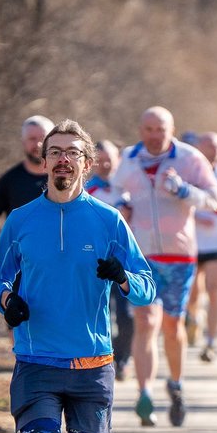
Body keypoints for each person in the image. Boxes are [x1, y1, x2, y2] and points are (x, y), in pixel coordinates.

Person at [0, 119, 155, 433]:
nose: (63, 159)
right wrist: (6, 300)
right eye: (54, 151)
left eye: (72, 153)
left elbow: (146, 288)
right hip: (37, 363)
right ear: (44, 160)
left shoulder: (107, 220)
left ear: (88, 162)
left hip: (92, 366)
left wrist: (122, 277)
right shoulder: (20, 220)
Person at [111, 106, 217, 427]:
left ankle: (175, 384)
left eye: (161, 129)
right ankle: (144, 393)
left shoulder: (188, 159)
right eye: (149, 129)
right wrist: (122, 206)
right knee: (146, 321)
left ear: (171, 129)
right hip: (142, 255)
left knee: (172, 327)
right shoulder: (129, 159)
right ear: (140, 129)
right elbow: (117, 191)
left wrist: (184, 191)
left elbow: (215, 198)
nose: (155, 135)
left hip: (179, 255)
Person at [85, 140, 134, 381]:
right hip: (96, 265)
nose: (104, 164)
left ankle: (123, 358)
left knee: (127, 316)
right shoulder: (86, 191)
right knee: (101, 313)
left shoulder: (127, 189)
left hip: (125, 265)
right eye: (99, 159)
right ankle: (101, 359)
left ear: (118, 160)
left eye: (109, 159)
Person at [186, 132, 217, 362]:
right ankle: (193, 319)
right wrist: (196, 217)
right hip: (192, 238)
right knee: (194, 292)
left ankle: (211, 342)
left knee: (214, 291)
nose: (213, 150)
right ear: (198, 147)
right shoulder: (189, 170)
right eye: (208, 146)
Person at [0, 115, 55, 241]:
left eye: (43, 138)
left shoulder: (64, 177)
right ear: (23, 142)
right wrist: (8, 245)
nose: (38, 144)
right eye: (32, 139)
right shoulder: (9, 180)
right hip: (22, 260)